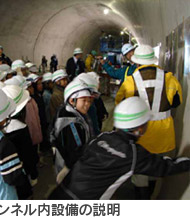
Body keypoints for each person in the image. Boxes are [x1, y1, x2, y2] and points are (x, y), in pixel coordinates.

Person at [48, 97, 190, 200]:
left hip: (59, 195)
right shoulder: (133, 154)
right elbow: (167, 167)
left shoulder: (102, 137)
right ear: (140, 127)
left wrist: (66, 168)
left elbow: (77, 155)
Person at [114, 44, 183, 199]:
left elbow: (121, 106)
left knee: (139, 173)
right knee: (155, 172)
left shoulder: (129, 82)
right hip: (164, 136)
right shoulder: (169, 78)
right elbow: (176, 102)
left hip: (139, 136)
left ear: (137, 62)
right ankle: (150, 198)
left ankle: (141, 200)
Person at [49, 80, 93, 183]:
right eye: (84, 100)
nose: (88, 104)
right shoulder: (71, 123)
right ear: (72, 101)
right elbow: (76, 153)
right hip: (71, 168)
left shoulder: (67, 111)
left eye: (89, 100)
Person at [2, 85, 37, 193]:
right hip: (22, 173)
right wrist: (34, 173)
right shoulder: (20, 128)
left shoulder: (1, 128)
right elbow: (28, 154)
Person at [28, 74, 51, 156]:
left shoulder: (39, 95)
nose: (41, 86)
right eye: (38, 84)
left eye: (41, 83)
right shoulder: (33, 99)